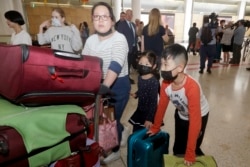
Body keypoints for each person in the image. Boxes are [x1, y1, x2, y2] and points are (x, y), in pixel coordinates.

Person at [82, 2, 131, 164]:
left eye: (105, 16)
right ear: (92, 20)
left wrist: (104, 88)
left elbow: (115, 64)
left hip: (118, 85)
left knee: (113, 119)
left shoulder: (119, 38)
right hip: (99, 84)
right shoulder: (90, 41)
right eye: (96, 17)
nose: (100, 20)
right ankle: (123, 129)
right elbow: (85, 64)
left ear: (112, 20)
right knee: (103, 118)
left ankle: (115, 151)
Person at [147, 44, 209, 167]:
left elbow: (195, 121)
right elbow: (162, 107)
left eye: (166, 65)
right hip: (181, 114)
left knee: (193, 146)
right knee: (178, 147)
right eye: (162, 64)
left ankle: (195, 153)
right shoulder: (166, 83)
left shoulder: (192, 88)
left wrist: (190, 153)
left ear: (180, 68)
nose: (162, 69)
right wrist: (156, 127)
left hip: (199, 115)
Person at [129, 51, 159, 133]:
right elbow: (142, 89)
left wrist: (149, 119)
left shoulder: (153, 82)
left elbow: (154, 102)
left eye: (146, 64)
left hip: (149, 112)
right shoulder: (140, 77)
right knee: (136, 131)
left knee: (145, 133)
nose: (143, 66)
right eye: (141, 63)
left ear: (154, 66)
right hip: (140, 109)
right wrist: (136, 94)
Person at [117, 9, 137, 84]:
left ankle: (128, 77)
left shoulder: (133, 25)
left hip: (133, 49)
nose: (129, 16)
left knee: (130, 64)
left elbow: (135, 36)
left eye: (130, 14)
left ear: (132, 16)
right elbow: (119, 37)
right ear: (125, 15)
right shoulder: (122, 24)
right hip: (126, 49)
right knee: (126, 65)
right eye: (127, 14)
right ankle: (125, 79)